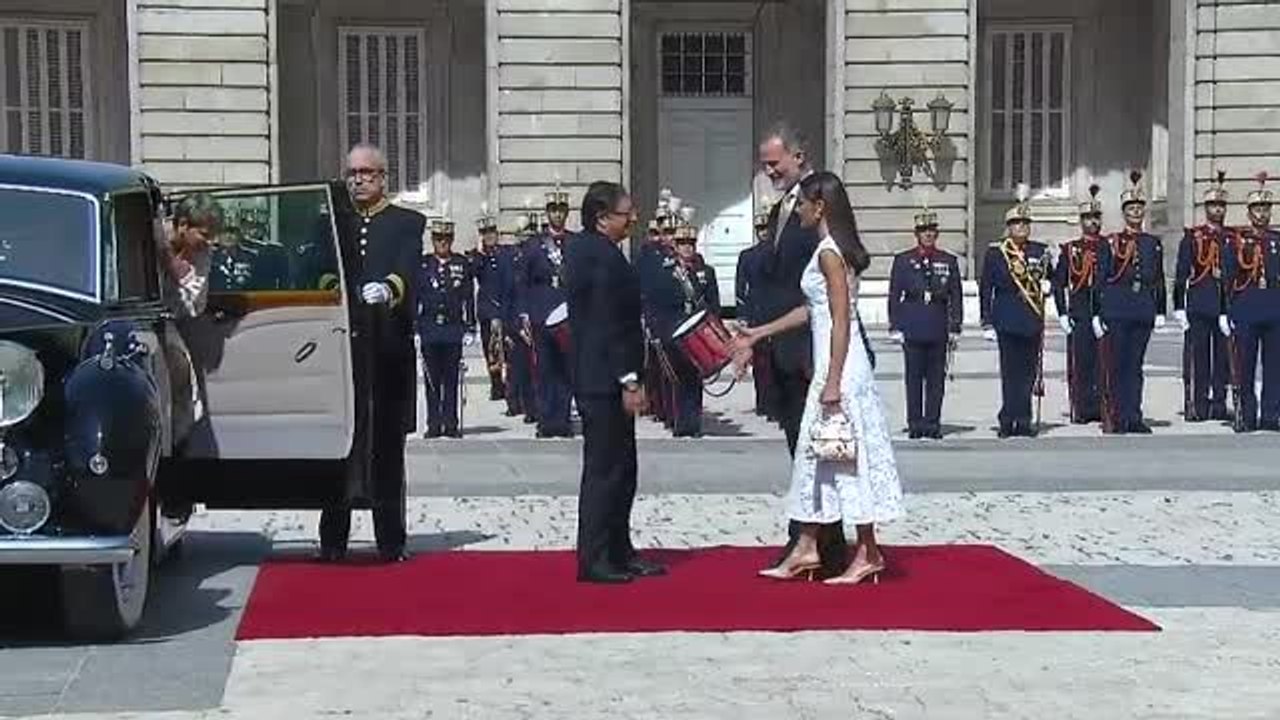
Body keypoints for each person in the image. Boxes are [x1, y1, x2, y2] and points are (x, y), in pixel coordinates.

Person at [733, 171, 904, 584]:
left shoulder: (829, 251)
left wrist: (832, 379)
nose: (801, 212)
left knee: (843, 453)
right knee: (823, 455)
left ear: (820, 207)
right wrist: (759, 332)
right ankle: (811, 545)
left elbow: (842, 320)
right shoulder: (831, 249)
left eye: (806, 205)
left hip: (839, 365)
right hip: (835, 359)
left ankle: (867, 551)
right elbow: (814, 311)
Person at [318, 143, 424, 564]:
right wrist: (334, 288)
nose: (357, 180)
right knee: (337, 447)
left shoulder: (406, 222)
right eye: (352, 173)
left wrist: (390, 287)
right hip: (343, 353)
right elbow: (320, 264)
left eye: (366, 173)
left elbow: (408, 266)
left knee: (387, 447)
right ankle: (333, 540)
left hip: (387, 351)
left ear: (383, 178)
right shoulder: (332, 222)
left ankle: (391, 539)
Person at [750, 122, 848, 577]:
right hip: (782, 346)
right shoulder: (781, 210)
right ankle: (819, 541)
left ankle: (815, 542)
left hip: (808, 348)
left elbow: (828, 288)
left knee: (819, 449)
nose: (768, 171)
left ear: (798, 156)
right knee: (801, 447)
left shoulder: (817, 207)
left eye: (774, 162)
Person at [564, 180, 665, 584]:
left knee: (623, 468)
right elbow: (608, 323)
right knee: (605, 471)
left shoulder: (602, 251)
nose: (634, 218)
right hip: (603, 378)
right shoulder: (597, 257)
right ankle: (595, 557)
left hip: (606, 375)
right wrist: (629, 380)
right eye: (627, 213)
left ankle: (619, 549)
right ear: (603, 218)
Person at [1093, 171, 1167, 434]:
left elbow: (1158, 279)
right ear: (1124, 213)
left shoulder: (1152, 243)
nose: (1136, 212)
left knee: (1135, 366)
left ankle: (1133, 415)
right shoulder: (1111, 243)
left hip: (1142, 309)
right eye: (1131, 208)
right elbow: (1098, 279)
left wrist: (1160, 309)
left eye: (1139, 208)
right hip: (1117, 308)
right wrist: (1096, 313)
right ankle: (1115, 414)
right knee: (1117, 365)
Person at [980, 188, 1053, 438]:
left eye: (1025, 223)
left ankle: (1023, 419)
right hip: (1007, 317)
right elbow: (986, 288)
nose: (1021, 228)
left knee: (1028, 373)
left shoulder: (1040, 251)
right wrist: (987, 321)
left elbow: (1049, 278)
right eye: (1016, 224)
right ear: (1008, 227)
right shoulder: (996, 253)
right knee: (1010, 372)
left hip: (1031, 319)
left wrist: (1048, 286)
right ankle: (1007, 419)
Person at [887, 208, 962, 439]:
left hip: (937, 324)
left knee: (936, 379)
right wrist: (895, 325)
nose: (928, 235)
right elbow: (894, 294)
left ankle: (932, 423)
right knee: (913, 378)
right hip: (913, 322)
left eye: (931, 231)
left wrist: (955, 326)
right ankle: (915, 423)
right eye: (923, 231)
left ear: (937, 234)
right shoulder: (903, 260)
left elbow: (955, 295)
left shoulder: (948, 260)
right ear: (916, 234)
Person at [1220, 171, 1279, 432]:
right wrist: (1225, 311)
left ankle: (1271, 414)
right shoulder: (1236, 242)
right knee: (1243, 367)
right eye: (1257, 209)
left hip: (1274, 309)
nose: (1262, 214)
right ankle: (1245, 414)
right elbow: (1228, 278)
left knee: (1275, 367)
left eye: (1266, 209)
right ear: (1249, 212)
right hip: (1245, 309)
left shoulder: (1277, 241)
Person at [517, 186, 575, 438]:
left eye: (562, 211)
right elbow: (523, 281)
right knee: (544, 369)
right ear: (547, 213)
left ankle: (562, 420)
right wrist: (524, 314)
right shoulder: (534, 245)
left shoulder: (576, 242)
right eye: (553, 211)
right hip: (542, 312)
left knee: (565, 369)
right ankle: (545, 419)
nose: (558, 216)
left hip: (568, 315)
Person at [1174, 171, 1232, 422]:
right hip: (1199, 302)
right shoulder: (1193, 237)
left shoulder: (1232, 238)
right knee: (1198, 358)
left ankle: (1219, 403)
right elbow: (1181, 273)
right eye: (1213, 205)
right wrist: (1179, 306)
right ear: (1206, 208)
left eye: (1221, 205)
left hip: (1226, 305)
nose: (1217, 210)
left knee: (1223, 358)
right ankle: (1196, 404)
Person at [1051, 184, 1105, 424]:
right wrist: (1062, 313)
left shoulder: (1109, 247)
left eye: (1096, 218)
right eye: (1088, 218)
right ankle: (1081, 407)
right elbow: (1058, 283)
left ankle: (1101, 406)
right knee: (1081, 363)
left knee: (1103, 363)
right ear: (1081, 221)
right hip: (1080, 313)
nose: (1092, 222)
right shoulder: (1071, 249)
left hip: (1103, 314)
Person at [417, 218, 475, 439]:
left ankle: (450, 423)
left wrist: (470, 326)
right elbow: (415, 298)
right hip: (430, 328)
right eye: (438, 239)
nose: (443, 243)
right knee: (432, 379)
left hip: (452, 330)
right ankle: (433, 423)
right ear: (432, 241)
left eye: (446, 239)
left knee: (451, 379)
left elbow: (468, 297)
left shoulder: (461, 263)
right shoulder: (423, 264)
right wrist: (414, 327)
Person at [669, 220, 719, 437]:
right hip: (678, 330)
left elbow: (713, 303)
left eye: (690, 242)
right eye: (682, 243)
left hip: (698, 331)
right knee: (678, 379)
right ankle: (681, 423)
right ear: (675, 246)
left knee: (696, 378)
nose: (687, 247)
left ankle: (694, 422)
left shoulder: (706, 271)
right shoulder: (669, 271)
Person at [737, 206, 776, 419]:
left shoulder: (780, 251)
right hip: (756, 310)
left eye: (766, 227)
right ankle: (763, 403)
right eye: (760, 228)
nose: (763, 232)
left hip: (776, 311)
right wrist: (742, 314)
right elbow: (740, 286)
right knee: (760, 363)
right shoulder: (747, 255)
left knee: (777, 361)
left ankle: (776, 403)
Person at [469, 208, 510, 402]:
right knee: (490, 349)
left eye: (492, 233)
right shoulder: (479, 257)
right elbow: (472, 272)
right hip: (486, 308)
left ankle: (508, 383)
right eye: (485, 234)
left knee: (507, 348)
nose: (489, 237)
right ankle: (496, 384)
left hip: (503, 307)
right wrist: (479, 252)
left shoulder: (505, 253)